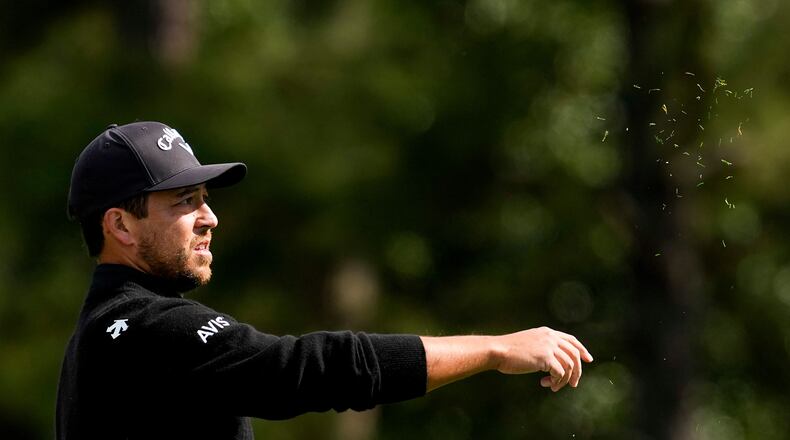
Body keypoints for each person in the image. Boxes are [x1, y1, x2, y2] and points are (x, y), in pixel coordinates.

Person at [57, 121, 594, 439]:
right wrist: (496, 349)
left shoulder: (104, 334)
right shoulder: (149, 327)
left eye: (205, 201)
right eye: (184, 202)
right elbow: (304, 371)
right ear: (120, 225)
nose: (209, 219)